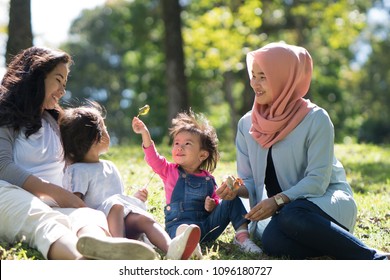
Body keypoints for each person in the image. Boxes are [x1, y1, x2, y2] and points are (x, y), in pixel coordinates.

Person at [217, 42, 389, 260]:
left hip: (324, 203)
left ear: (284, 78)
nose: (254, 84)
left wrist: (278, 201)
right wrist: (235, 188)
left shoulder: (316, 119)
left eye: (263, 76)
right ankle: (334, 247)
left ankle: (374, 258)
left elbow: (317, 181)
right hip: (282, 216)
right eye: (253, 75)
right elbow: (249, 181)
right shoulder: (246, 124)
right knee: (272, 241)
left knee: (291, 214)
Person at [0, 46, 157, 260]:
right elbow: (3, 166)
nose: (63, 90)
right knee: (45, 222)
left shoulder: (55, 122)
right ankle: (82, 263)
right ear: (36, 76)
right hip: (11, 196)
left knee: (89, 216)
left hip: (54, 205)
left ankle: (104, 249)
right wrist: (55, 192)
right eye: (58, 79)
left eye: (65, 83)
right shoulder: (6, 115)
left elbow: (85, 151)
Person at [59, 101, 201, 260]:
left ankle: (172, 248)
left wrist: (133, 198)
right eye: (104, 129)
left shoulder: (110, 166)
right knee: (117, 205)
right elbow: (75, 204)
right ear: (95, 139)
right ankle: (119, 248)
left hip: (122, 218)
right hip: (101, 224)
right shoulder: (77, 170)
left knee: (145, 220)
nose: (108, 133)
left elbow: (118, 196)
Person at [132, 109, 263, 256]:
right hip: (178, 226)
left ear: (202, 154)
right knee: (182, 229)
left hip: (206, 229)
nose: (179, 147)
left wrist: (212, 205)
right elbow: (153, 157)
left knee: (231, 199)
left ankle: (242, 238)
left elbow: (216, 201)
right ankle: (186, 245)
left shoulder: (209, 179)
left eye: (187, 143)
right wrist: (144, 133)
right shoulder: (169, 171)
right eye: (176, 143)